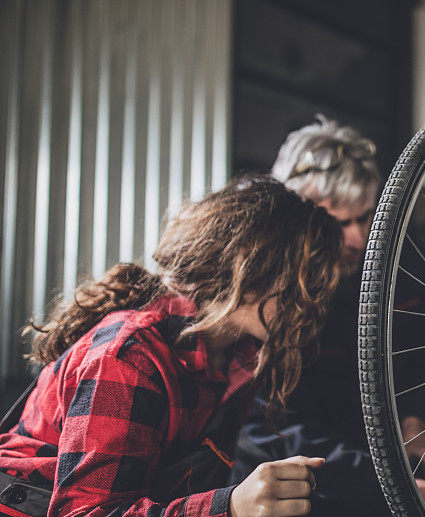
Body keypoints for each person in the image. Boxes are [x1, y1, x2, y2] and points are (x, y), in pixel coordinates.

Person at [0, 177, 342, 516]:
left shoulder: (240, 357)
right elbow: (84, 513)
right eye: (303, 281)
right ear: (250, 269)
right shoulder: (130, 356)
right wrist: (231, 507)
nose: (313, 304)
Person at [232, 116, 425, 516]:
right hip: (291, 490)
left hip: (390, 470)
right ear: (294, 219)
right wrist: (391, 489)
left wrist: (418, 422)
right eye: (339, 222)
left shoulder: (403, 261)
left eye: (366, 215)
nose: (359, 237)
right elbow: (278, 430)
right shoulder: (268, 290)